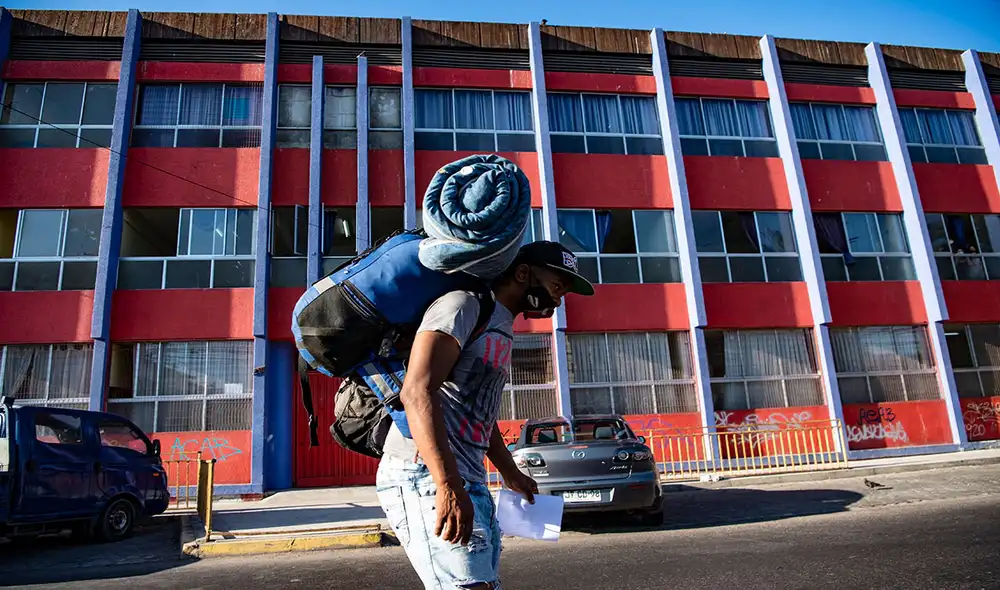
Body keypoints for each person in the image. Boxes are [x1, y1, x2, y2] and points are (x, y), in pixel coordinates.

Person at [376, 240, 595, 590]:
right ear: (522, 273)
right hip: (424, 474)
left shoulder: (502, 326)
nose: (558, 299)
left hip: (468, 478)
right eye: (557, 286)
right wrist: (447, 485)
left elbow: (477, 410)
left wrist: (511, 473)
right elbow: (416, 391)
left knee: (486, 585)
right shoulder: (463, 306)